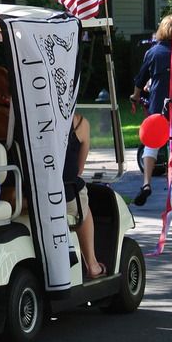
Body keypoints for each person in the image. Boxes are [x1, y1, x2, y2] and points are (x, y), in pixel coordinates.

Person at [130, 15, 172, 206]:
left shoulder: (152, 52)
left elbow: (141, 79)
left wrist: (135, 95)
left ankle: (146, 183)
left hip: (159, 106)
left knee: (152, 145)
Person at [63, 114, 106, 280]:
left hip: (23, 193)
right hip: (62, 195)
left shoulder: (21, 117)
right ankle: (92, 265)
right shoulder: (79, 123)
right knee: (83, 205)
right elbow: (78, 170)